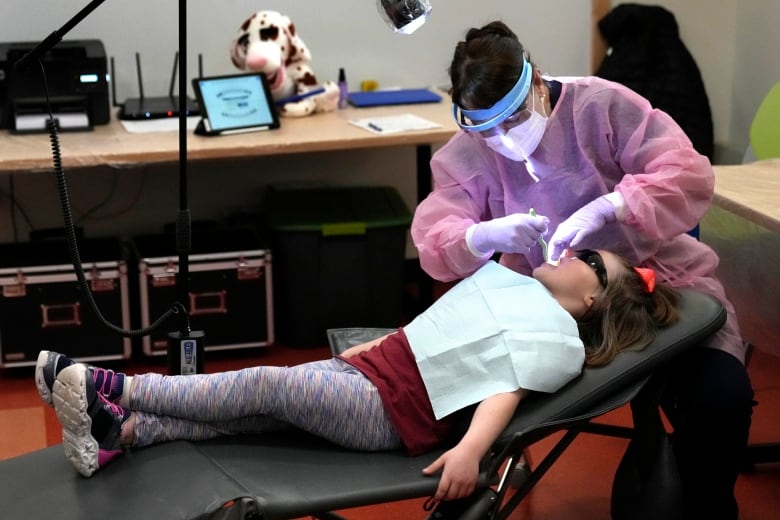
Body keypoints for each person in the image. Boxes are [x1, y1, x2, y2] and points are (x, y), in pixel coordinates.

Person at [410, 20, 754, 519]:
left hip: (652, 285)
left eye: (511, 121)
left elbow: (688, 176)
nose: (503, 141)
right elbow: (436, 238)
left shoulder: (602, 107)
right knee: (459, 405)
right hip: (544, 307)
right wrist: (481, 236)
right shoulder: (474, 150)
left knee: (720, 396)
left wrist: (612, 206)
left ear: (538, 81)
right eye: (487, 131)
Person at [38, 249, 678, 504]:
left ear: (593, 299)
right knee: (256, 413)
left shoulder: (559, 338)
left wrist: (470, 453)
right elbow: (450, 333)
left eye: (591, 260)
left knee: (266, 386)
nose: (573, 251)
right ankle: (124, 432)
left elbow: (504, 386)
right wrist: (390, 341)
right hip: (379, 372)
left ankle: (115, 388)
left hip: (387, 411)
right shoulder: (524, 295)